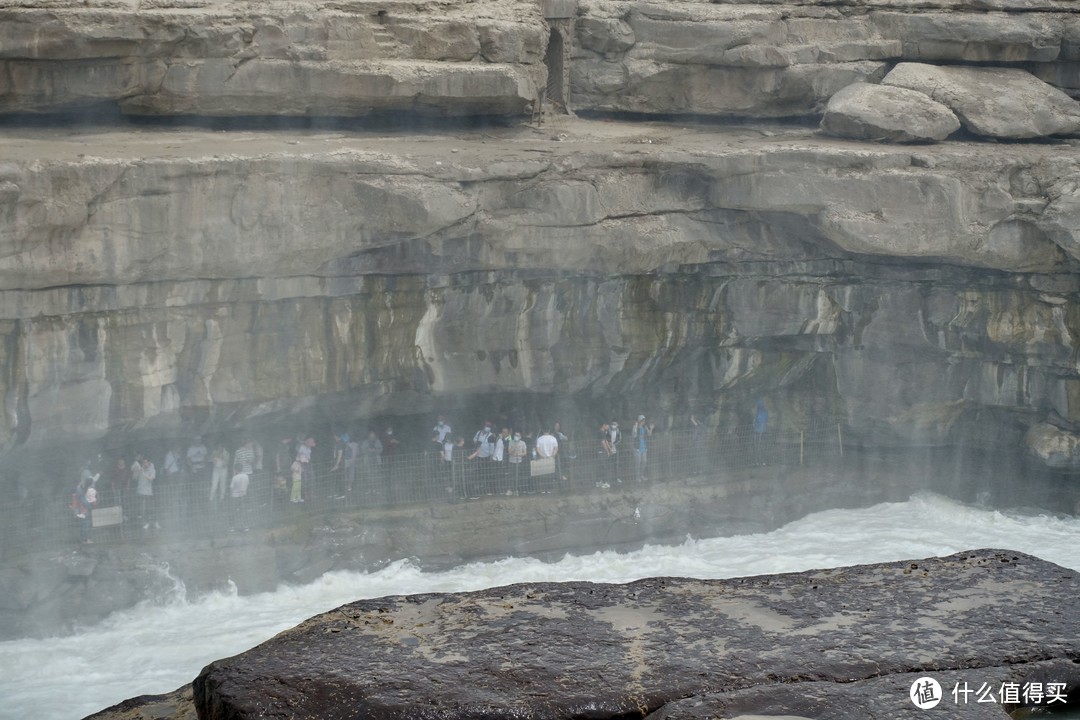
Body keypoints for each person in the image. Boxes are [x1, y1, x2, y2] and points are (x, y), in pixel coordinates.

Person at [133, 454, 158, 530]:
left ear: (149, 463)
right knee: (141, 510)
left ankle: (153, 522)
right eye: (143, 462)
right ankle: (144, 523)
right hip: (140, 492)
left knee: (149, 509)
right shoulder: (141, 469)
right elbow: (134, 478)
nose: (144, 464)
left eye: (146, 462)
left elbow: (151, 478)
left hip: (148, 493)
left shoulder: (152, 470)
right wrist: (137, 471)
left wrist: (143, 473)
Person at [632, 415, 654, 482]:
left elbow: (649, 434)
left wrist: (651, 429)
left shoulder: (645, 427)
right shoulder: (635, 427)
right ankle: (637, 477)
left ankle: (641, 475)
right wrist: (635, 428)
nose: (643, 422)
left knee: (644, 462)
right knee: (638, 463)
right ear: (639, 421)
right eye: (642, 420)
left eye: (644, 420)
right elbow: (634, 435)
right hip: (637, 447)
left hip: (644, 447)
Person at [753, 398, 768, 466]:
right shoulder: (763, 412)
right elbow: (766, 421)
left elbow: (761, 421)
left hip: (759, 432)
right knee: (760, 447)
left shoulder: (759, 412)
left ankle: (759, 461)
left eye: (756, 404)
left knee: (759, 447)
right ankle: (760, 461)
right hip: (761, 431)